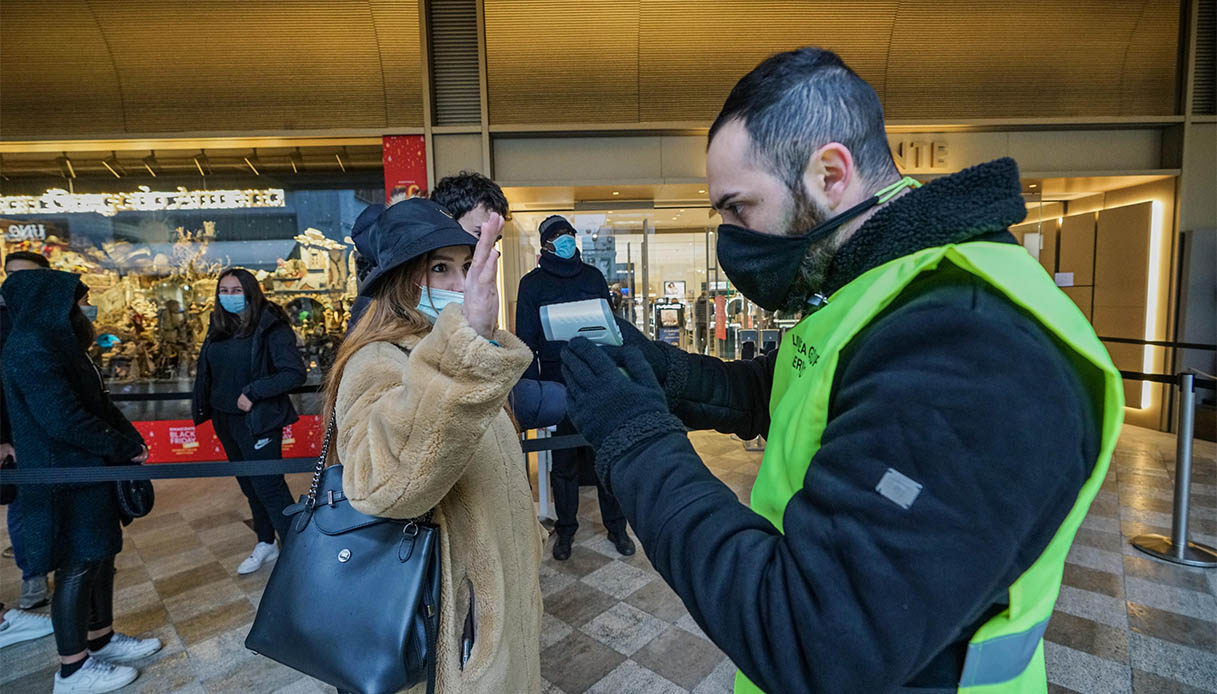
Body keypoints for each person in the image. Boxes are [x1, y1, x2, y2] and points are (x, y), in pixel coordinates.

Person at [561, 47, 1123, 694]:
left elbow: (813, 641)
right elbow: (784, 393)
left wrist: (634, 440)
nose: (732, 237)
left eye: (738, 208)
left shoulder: (970, 342)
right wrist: (656, 369)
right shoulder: (872, 282)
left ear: (830, 172)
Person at [327, 198, 542, 693]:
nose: (462, 283)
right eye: (440, 269)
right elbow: (382, 486)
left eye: (466, 266)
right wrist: (470, 348)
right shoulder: (378, 359)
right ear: (399, 281)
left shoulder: (463, 354)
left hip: (496, 610)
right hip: (450, 624)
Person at [2, 270, 164, 693]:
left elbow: (96, 402)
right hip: (65, 475)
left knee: (101, 556)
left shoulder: (58, 343)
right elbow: (63, 419)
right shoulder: (30, 348)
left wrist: (126, 440)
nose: (84, 309)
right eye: (77, 302)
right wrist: (120, 447)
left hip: (88, 470)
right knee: (77, 565)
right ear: (49, 304)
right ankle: (72, 669)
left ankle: (101, 637)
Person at [515, 215, 634, 561]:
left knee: (606, 457)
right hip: (556, 381)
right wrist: (532, 389)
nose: (566, 239)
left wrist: (618, 370)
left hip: (597, 376)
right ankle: (565, 530)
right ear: (545, 244)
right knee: (563, 461)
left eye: (569, 233)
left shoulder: (593, 277)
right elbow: (526, 340)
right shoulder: (531, 284)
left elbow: (611, 328)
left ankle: (617, 528)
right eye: (557, 235)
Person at [431, 171, 568, 430]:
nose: (487, 251)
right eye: (440, 268)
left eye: (493, 241)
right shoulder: (393, 332)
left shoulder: (473, 304)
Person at [192, 269, 306, 575]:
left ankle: (299, 554)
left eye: (236, 290)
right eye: (224, 290)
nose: (229, 296)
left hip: (258, 420)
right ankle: (266, 542)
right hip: (224, 419)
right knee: (249, 486)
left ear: (251, 291)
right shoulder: (218, 326)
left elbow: (293, 373)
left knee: (270, 486)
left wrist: (255, 392)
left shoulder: (271, 325)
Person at [0, 250, 53, 610]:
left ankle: (70, 563)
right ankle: (33, 575)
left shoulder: (54, 314)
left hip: (56, 425)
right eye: (13, 275)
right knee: (24, 505)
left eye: (28, 275)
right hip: (15, 431)